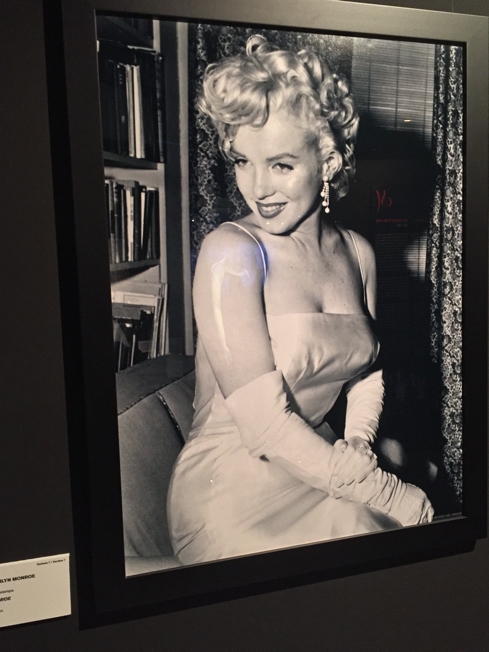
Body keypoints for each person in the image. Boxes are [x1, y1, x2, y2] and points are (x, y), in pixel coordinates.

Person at [168, 35, 433, 565]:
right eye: (242, 161)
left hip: (323, 466)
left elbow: (366, 371)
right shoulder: (230, 253)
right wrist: (381, 490)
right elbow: (264, 426)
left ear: (328, 161)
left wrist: (359, 444)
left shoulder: (358, 253)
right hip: (231, 494)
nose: (257, 188)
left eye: (281, 165)